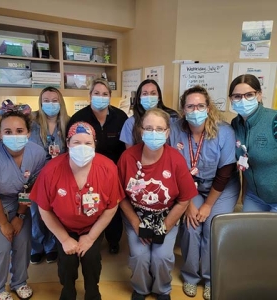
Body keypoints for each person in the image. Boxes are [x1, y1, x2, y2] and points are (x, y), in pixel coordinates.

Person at [29, 121, 125, 300]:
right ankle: (68, 289)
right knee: (66, 262)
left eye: (88, 143)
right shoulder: (51, 170)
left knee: (91, 259)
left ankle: (92, 290)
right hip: (63, 227)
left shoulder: (108, 168)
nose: (82, 147)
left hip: (92, 226)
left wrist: (90, 237)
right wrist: (64, 239)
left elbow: (112, 207)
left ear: (95, 144)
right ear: (68, 143)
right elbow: (44, 209)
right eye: (76, 142)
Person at [117, 108, 198, 300]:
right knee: (139, 255)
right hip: (136, 215)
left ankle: (162, 289)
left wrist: (165, 226)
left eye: (160, 129)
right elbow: (120, 196)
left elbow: (185, 198)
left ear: (167, 133)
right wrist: (137, 224)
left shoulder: (176, 160)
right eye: (149, 128)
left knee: (161, 256)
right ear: (141, 131)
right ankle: (141, 289)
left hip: (166, 215)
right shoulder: (127, 158)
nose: (154, 133)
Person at [169, 86, 240, 300]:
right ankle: (191, 276)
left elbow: (225, 172)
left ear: (208, 108)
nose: (195, 109)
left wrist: (207, 205)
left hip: (222, 188)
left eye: (200, 105)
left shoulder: (223, 131)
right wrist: (188, 203)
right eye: (190, 106)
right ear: (183, 110)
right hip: (190, 187)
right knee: (191, 226)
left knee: (212, 226)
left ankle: (211, 278)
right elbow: (173, 168)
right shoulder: (174, 130)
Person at [0, 101, 46, 300]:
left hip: (18, 202)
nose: (14, 136)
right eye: (8, 131)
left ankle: (19, 282)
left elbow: (30, 187)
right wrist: (4, 224)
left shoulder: (37, 154)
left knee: (23, 243)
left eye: (19, 130)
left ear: (28, 132)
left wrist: (19, 215)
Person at [66, 78, 128, 254]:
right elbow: (71, 146)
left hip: (113, 172)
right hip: (86, 170)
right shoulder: (79, 118)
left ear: (110, 96)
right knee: (90, 206)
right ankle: (89, 239)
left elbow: (125, 147)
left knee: (112, 207)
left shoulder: (120, 117)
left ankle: (113, 240)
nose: (101, 97)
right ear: (90, 96)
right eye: (97, 93)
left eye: (105, 94)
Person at [29, 86, 70, 264]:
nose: (51, 104)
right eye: (46, 100)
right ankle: (36, 246)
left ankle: (51, 246)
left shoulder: (68, 123)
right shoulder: (31, 121)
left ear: (60, 102)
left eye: (54, 100)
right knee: (36, 213)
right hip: (36, 175)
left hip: (60, 175)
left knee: (55, 212)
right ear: (40, 102)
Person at [229, 74, 277, 212]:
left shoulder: (274, 120)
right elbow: (245, 161)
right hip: (255, 196)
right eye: (237, 96)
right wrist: (244, 194)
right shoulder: (235, 124)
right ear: (231, 100)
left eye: (249, 95)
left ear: (259, 95)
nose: (243, 100)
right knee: (249, 232)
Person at [120, 79, 179, 148]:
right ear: (139, 98)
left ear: (159, 97)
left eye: (153, 93)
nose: (149, 97)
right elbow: (130, 152)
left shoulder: (172, 118)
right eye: (145, 94)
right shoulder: (130, 123)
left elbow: (179, 144)